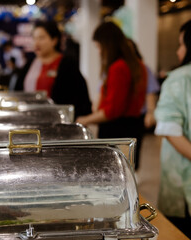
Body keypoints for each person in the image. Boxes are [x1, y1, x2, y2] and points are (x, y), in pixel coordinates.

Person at [76, 22, 147, 170]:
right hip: (133, 126)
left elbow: (113, 110)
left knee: (114, 173)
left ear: (107, 44)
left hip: (117, 129)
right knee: (128, 171)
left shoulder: (118, 68)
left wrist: (85, 119)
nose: (99, 52)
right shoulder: (138, 64)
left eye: (99, 47)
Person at [154, 19, 191, 237]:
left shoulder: (179, 79)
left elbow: (169, 129)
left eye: (182, 44)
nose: (179, 51)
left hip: (183, 186)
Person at [16, 21, 92, 118]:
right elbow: (18, 92)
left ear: (54, 40)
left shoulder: (67, 64)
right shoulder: (29, 64)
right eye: (34, 38)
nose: (37, 43)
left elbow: (79, 96)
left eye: (41, 38)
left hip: (58, 122)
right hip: (29, 119)